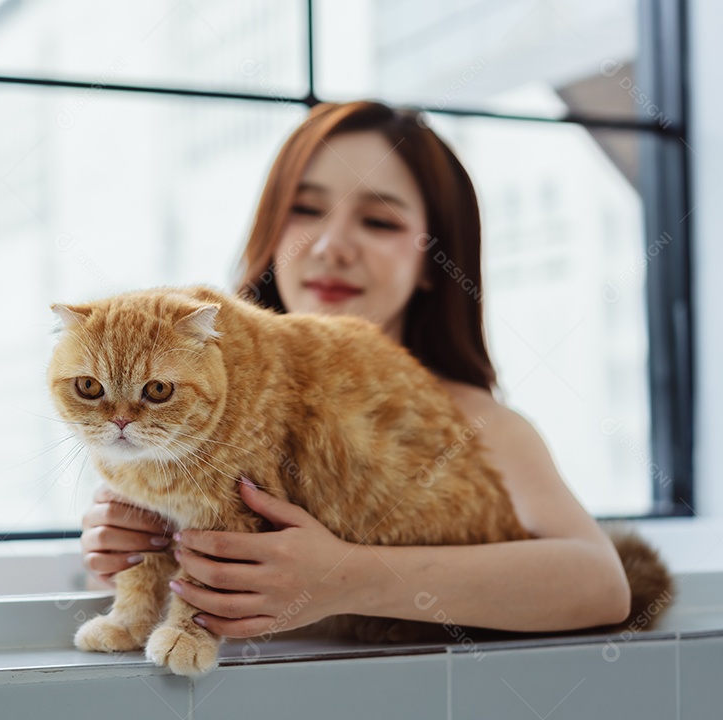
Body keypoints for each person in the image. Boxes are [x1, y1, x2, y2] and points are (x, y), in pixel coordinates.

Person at [79, 100, 631, 638]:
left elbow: (601, 585)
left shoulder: (480, 423)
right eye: (306, 208)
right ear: (269, 233)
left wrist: (349, 578)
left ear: (434, 262)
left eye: (378, 220)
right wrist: (125, 553)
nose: (332, 245)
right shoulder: (184, 398)